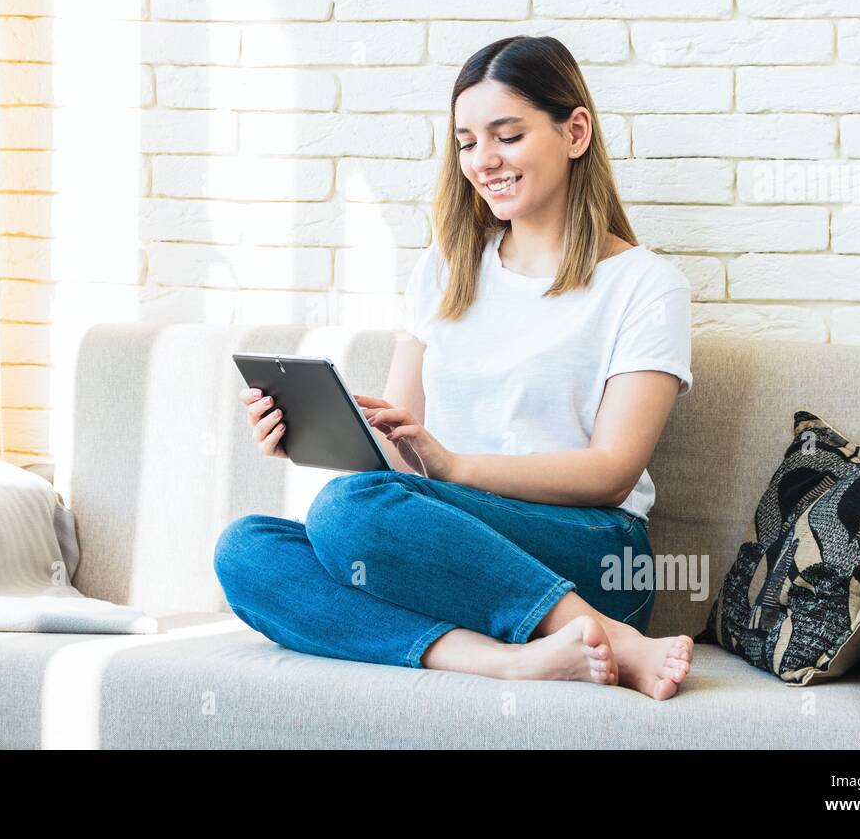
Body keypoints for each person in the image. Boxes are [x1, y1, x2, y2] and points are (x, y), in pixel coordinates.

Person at [214, 35, 695, 700]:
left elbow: (613, 472)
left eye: (507, 135)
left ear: (575, 131)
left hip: (596, 551)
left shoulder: (644, 285)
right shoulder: (445, 269)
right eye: (468, 142)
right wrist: (309, 434)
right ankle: (510, 660)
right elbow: (397, 448)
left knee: (345, 513)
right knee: (246, 550)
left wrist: (454, 467)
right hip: (455, 541)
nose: (484, 160)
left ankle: (605, 631)